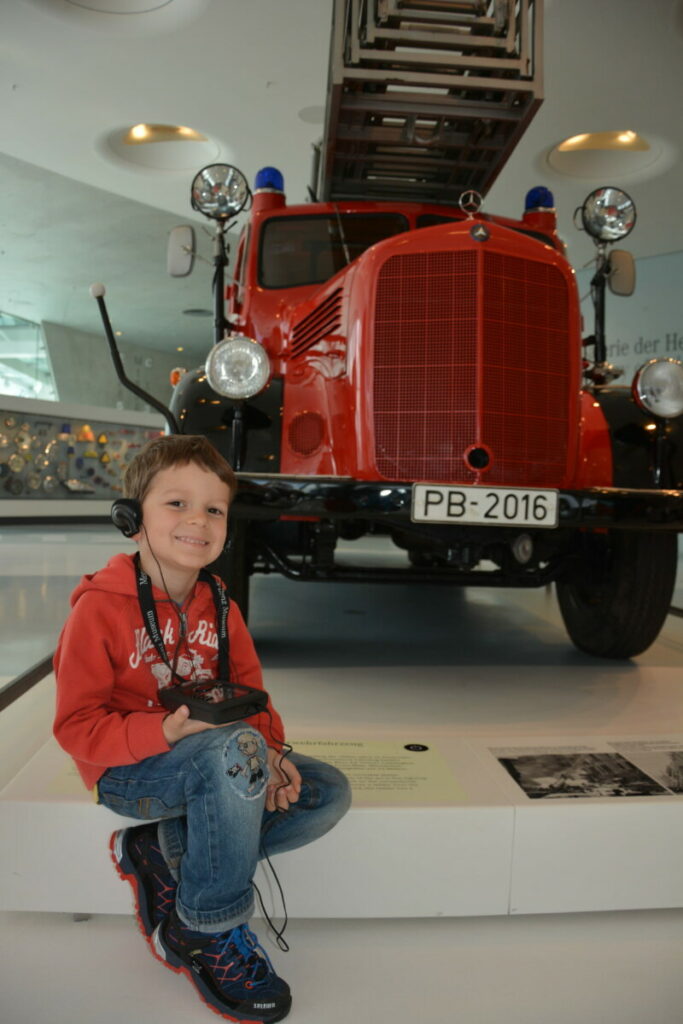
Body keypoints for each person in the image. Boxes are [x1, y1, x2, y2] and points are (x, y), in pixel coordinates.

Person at [53, 434, 351, 1024]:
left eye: (214, 509)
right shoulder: (99, 608)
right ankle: (206, 927)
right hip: (130, 772)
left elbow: (253, 699)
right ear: (132, 519)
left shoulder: (221, 604)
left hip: (222, 759)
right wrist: (162, 734)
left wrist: (269, 753)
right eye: (176, 504)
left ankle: (162, 853)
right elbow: (75, 726)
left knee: (325, 792)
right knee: (230, 752)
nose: (198, 520)